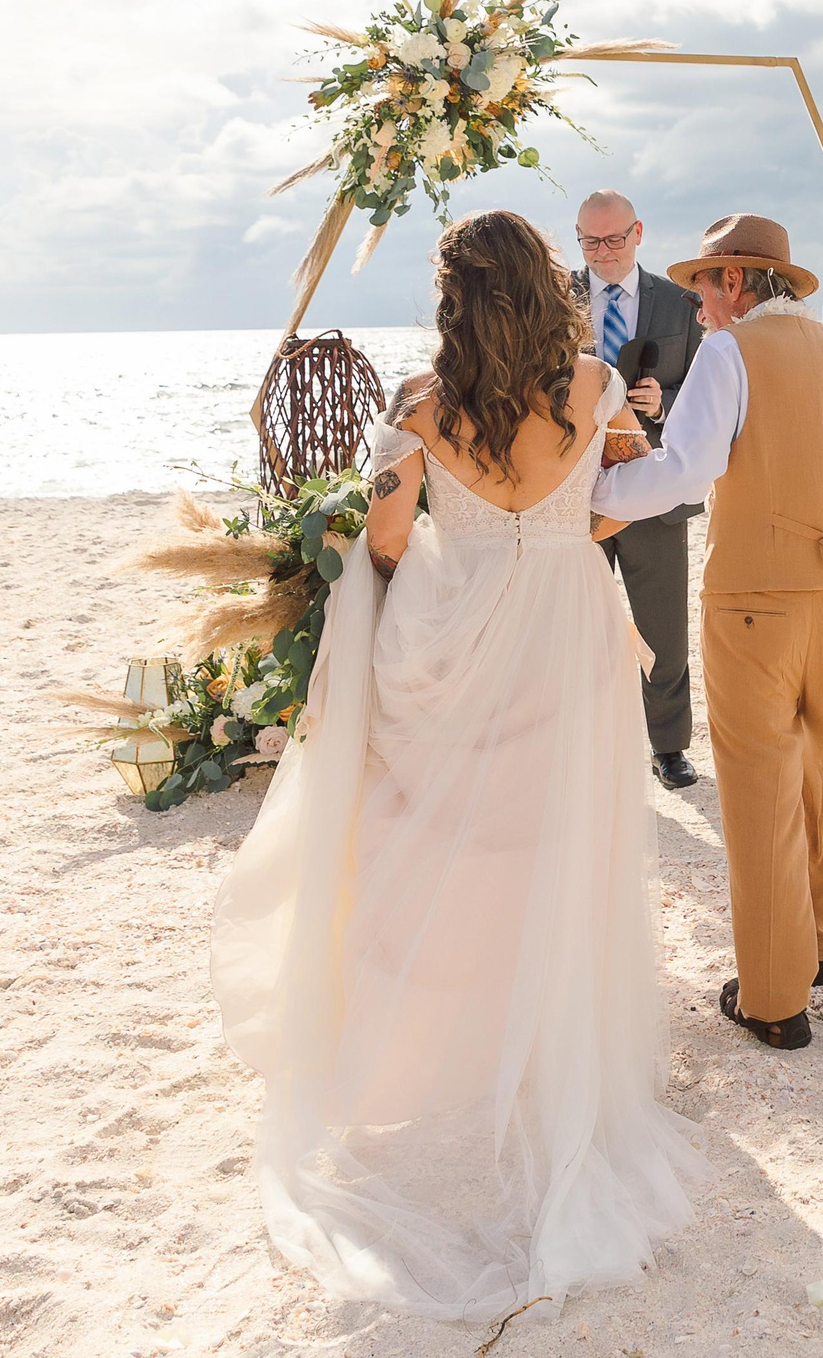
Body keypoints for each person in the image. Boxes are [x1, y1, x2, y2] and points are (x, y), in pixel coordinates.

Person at [210, 209, 706, 1320]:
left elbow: (386, 546)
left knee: (439, 842)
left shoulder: (419, 403)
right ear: (545, 285)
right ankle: (542, 1049)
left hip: (461, 637)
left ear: (452, 299)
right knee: (559, 837)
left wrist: (429, 529)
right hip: (569, 635)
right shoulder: (590, 384)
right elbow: (616, 493)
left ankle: (451, 1043)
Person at [595, 213, 823, 1050]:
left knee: (759, 785)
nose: (699, 298)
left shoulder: (732, 354)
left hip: (755, 605)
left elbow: (685, 470)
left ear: (736, 282)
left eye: (706, 281)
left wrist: (597, 493)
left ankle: (774, 997)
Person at [571, 189, 707, 789]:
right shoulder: (553, 299)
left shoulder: (683, 305)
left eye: (613, 239)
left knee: (663, 622)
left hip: (654, 488)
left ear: (639, 233)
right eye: (590, 240)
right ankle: (582, 741)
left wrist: (665, 401)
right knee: (573, 621)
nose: (602, 252)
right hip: (572, 488)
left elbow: (711, 394)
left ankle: (669, 746)